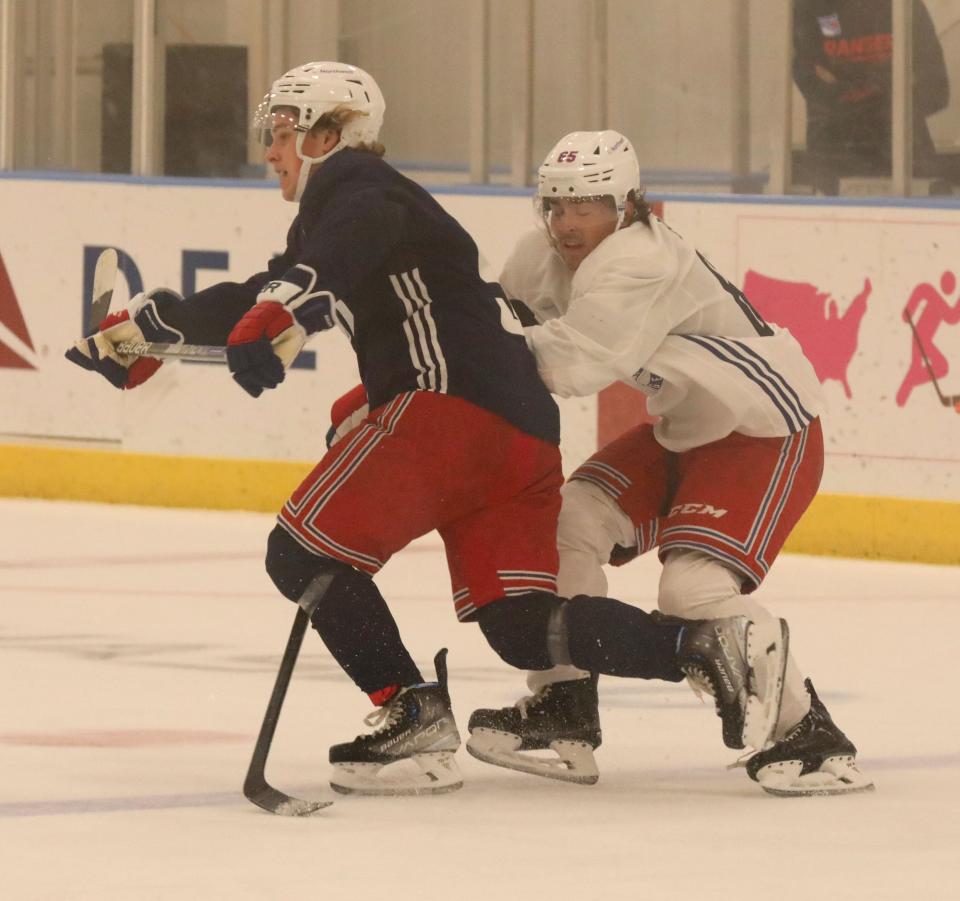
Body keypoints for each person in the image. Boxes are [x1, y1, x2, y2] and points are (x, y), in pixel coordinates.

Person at [65, 64, 789, 798]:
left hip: (448, 413)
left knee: (299, 549)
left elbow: (333, 254)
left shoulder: (360, 188)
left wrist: (288, 305)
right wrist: (150, 329)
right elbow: (267, 291)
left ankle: (411, 710)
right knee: (520, 622)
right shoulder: (339, 216)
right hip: (517, 436)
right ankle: (701, 644)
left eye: (282, 132)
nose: (271, 150)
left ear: (327, 135)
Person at [467, 130, 873, 797]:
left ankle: (811, 735)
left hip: (765, 427)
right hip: (684, 425)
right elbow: (497, 323)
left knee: (688, 592)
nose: (568, 223)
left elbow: (570, 363)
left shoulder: (640, 258)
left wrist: (477, 332)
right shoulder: (541, 255)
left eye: (586, 206)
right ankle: (563, 708)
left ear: (627, 207)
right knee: (562, 525)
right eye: (556, 206)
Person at [793, 0, 950, 194]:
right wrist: (886, 85)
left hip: (907, 167)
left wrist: (847, 84)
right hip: (835, 168)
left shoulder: (905, 6)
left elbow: (936, 90)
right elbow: (814, 86)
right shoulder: (810, 7)